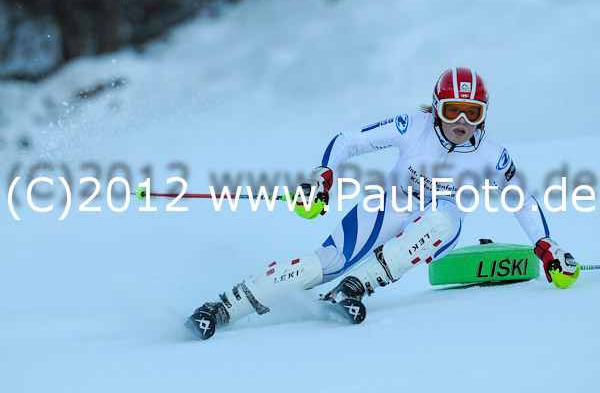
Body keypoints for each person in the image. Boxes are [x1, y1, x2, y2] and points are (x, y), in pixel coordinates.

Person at [188, 67, 579, 339]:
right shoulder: (413, 126)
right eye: (452, 110)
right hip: (388, 204)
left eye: (472, 113)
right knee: (321, 265)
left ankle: (354, 288)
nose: (462, 121)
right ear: (436, 107)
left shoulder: (491, 153)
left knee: (445, 220)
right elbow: (349, 140)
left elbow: (521, 199)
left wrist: (546, 245)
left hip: (438, 219)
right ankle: (222, 308)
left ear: (484, 115)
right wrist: (324, 173)